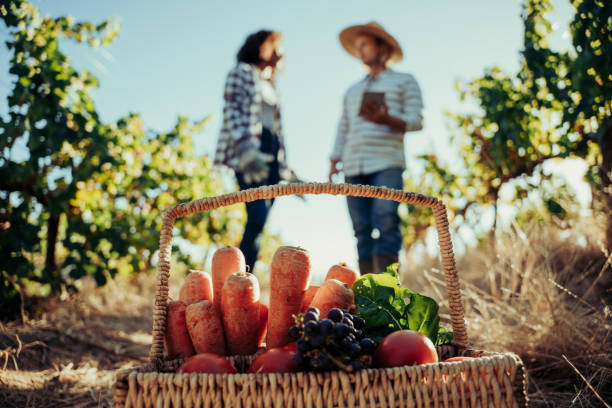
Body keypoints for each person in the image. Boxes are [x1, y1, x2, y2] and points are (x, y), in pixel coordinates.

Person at [328, 22, 424, 275]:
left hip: (386, 161)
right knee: (361, 228)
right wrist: (334, 159)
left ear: (382, 47)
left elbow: (418, 120)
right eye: (358, 47)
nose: (361, 51)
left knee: (386, 220)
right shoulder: (352, 91)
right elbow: (343, 127)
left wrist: (387, 119)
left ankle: (388, 288)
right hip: (353, 164)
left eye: (365, 45)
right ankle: (369, 290)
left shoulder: (404, 81)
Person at [214, 30, 296, 271]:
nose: (280, 53)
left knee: (261, 221)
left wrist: (284, 166)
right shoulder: (241, 72)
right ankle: (239, 276)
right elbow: (232, 111)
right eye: (275, 46)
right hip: (251, 150)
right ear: (262, 47)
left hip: (270, 154)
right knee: (257, 215)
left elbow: (276, 130)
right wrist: (245, 149)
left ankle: (244, 278)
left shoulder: (271, 84)